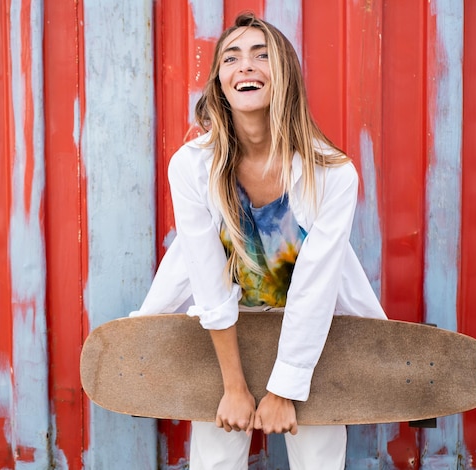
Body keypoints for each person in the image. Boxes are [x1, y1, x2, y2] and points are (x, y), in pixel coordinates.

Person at [131, 12, 386, 470]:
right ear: (220, 83)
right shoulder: (191, 166)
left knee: (319, 461)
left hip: (313, 333)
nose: (245, 66)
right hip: (224, 330)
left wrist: (284, 389)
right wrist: (234, 386)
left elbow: (315, 286)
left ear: (284, 74)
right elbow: (208, 280)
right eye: (231, 58)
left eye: (261, 55)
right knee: (215, 459)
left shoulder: (332, 173)